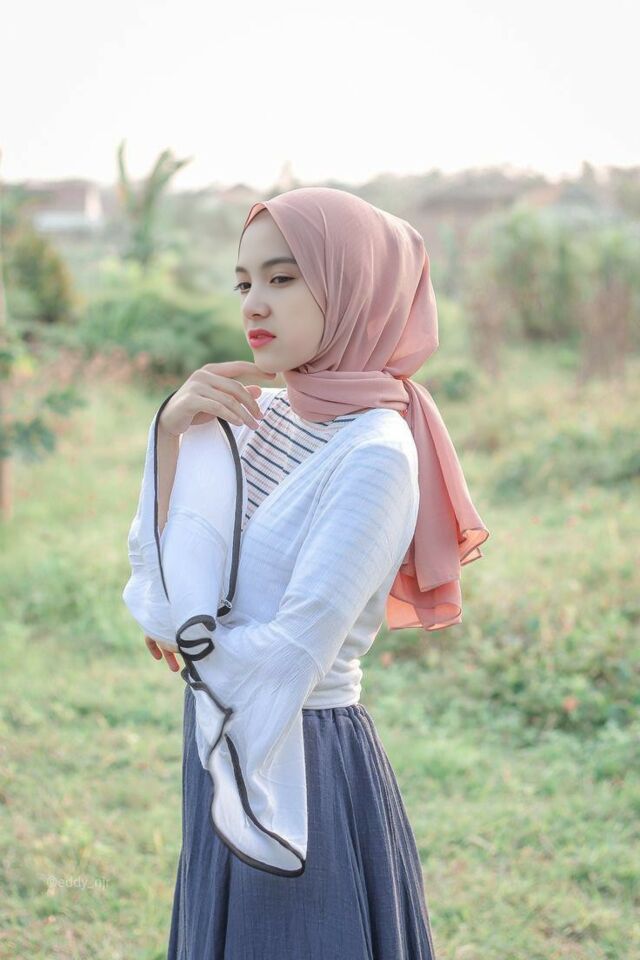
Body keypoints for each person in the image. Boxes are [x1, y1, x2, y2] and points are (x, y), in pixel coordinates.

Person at [122, 187, 490, 959]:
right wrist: (169, 436)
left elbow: (289, 654)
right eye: (244, 281)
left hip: (304, 759)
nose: (254, 302)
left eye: (283, 277)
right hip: (220, 733)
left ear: (354, 288)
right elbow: (161, 601)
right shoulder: (261, 418)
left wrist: (193, 639)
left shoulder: (375, 453)